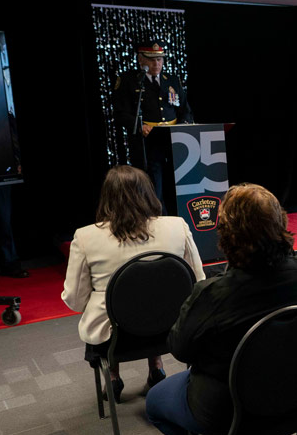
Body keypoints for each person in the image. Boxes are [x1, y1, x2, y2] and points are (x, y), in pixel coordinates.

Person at [145, 183, 297, 435]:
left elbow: (179, 349)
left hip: (236, 414)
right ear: (281, 223)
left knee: (154, 403)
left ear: (227, 234)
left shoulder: (213, 295)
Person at [61, 166, 205, 402]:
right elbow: (198, 282)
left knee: (117, 309)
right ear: (148, 193)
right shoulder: (177, 227)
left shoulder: (85, 237)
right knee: (153, 297)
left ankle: (113, 376)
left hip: (115, 338)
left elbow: (74, 300)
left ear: (107, 198)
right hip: (171, 328)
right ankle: (156, 366)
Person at [111, 40, 194, 205]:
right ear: (140, 59)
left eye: (159, 59)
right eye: (151, 59)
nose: (156, 63)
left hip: (174, 140)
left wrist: (183, 126)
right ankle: (158, 214)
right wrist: (140, 125)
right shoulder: (129, 80)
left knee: (178, 183)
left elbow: (186, 110)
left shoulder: (172, 80)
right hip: (148, 142)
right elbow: (120, 113)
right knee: (154, 186)